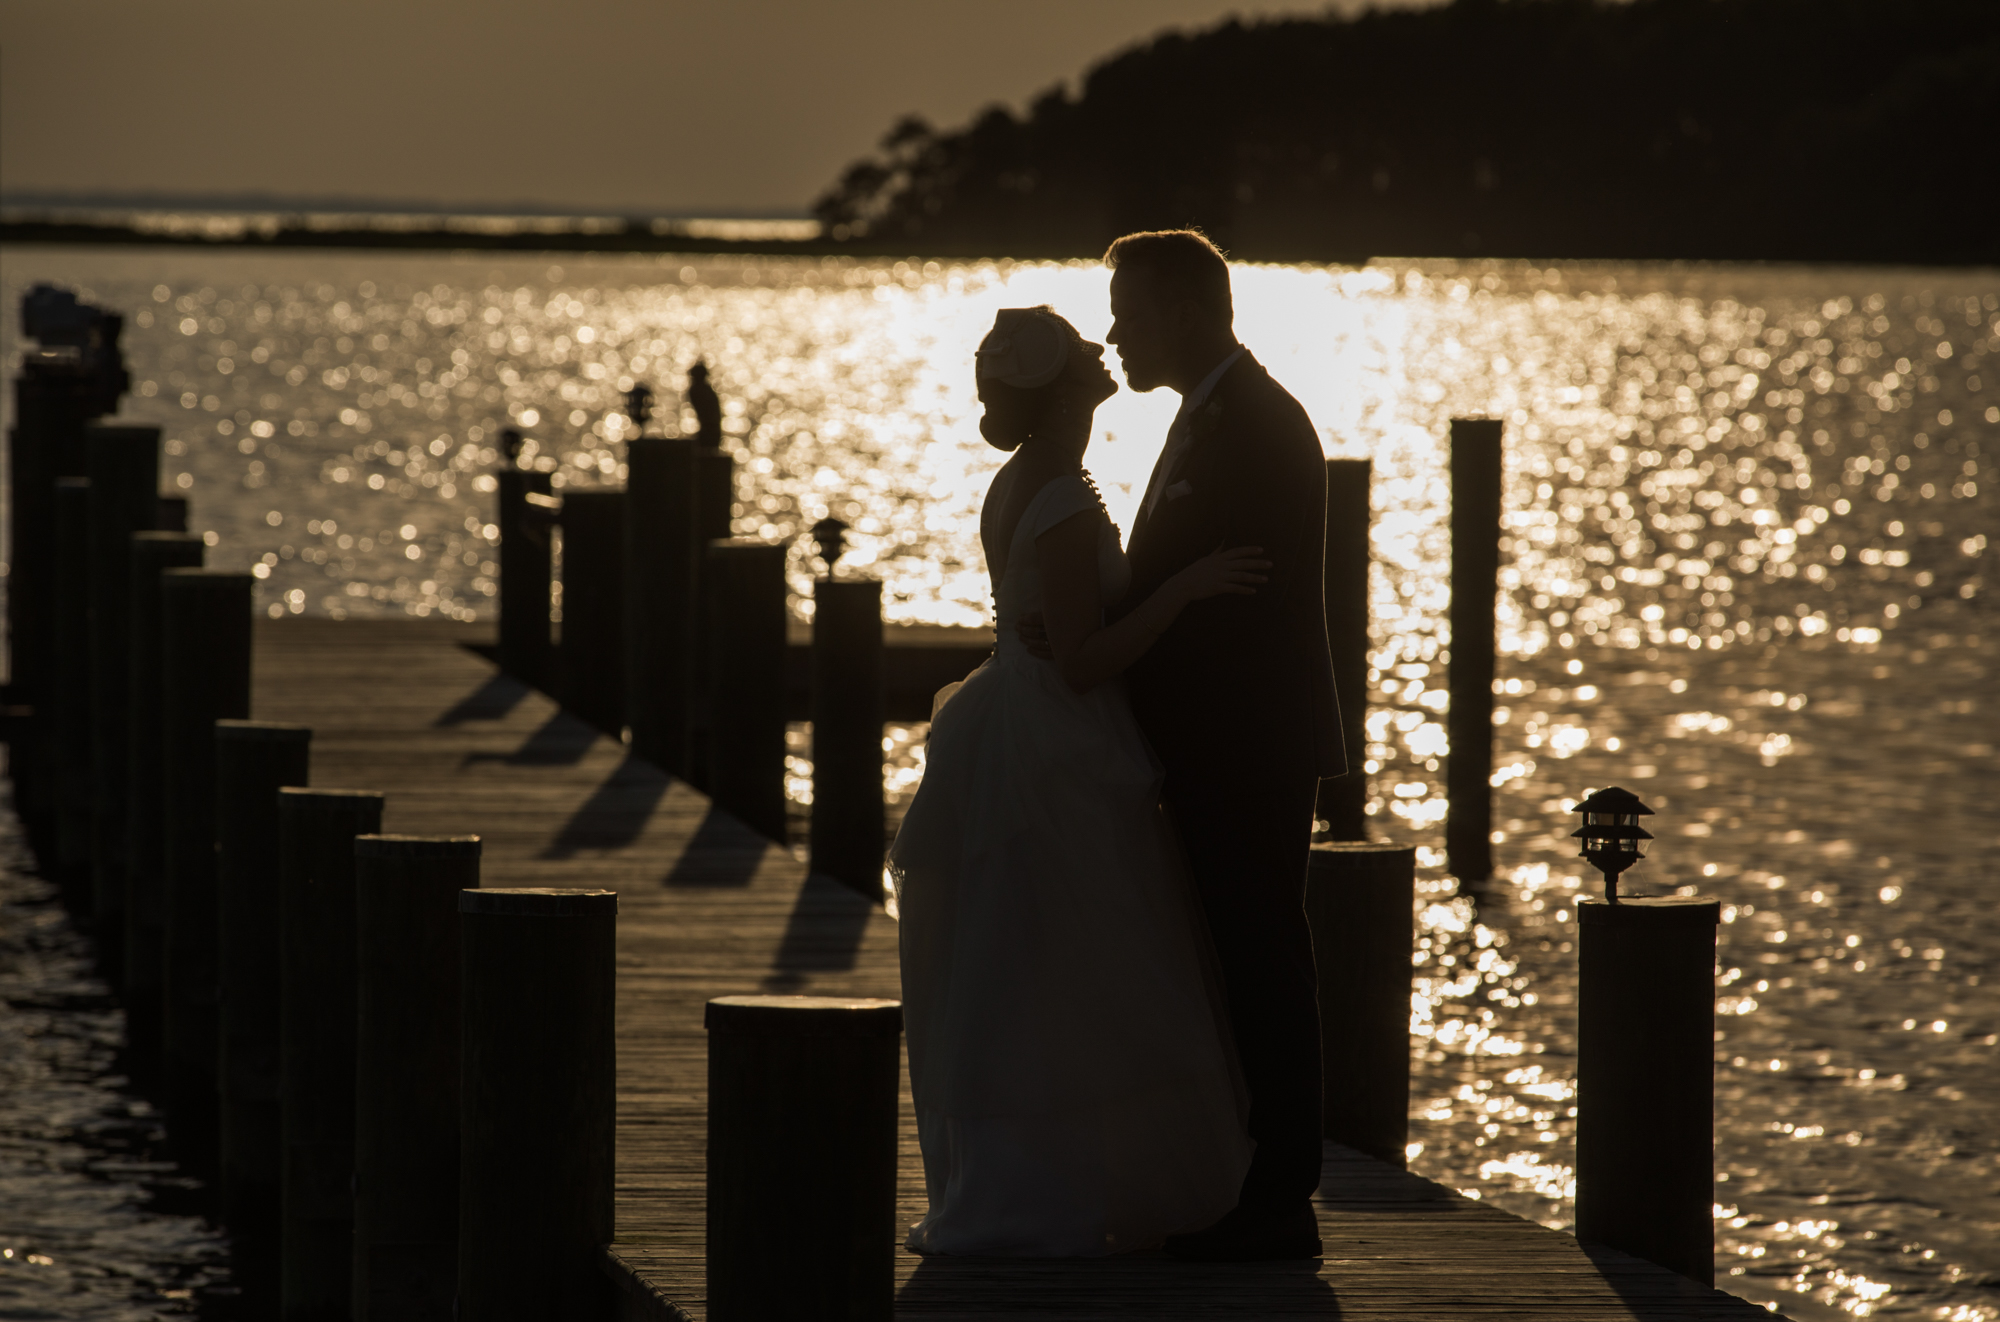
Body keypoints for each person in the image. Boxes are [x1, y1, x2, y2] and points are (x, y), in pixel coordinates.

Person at [888, 305, 1269, 1257]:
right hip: (1054, 741)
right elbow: (1083, 662)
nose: (1104, 351)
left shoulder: (1025, 482)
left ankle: (1045, 1181)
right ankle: (1056, 1191)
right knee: (1078, 965)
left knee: (1036, 963)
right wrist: (1183, 589)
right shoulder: (1057, 494)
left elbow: (1055, 630)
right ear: (1062, 387)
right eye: (1084, 349)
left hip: (1023, 725)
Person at [1089, 228, 1344, 1261]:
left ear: (1189, 313)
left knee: (1261, 960)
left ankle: (1281, 1197)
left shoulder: (1258, 426)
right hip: (1215, 745)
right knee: (1235, 960)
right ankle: (1252, 1177)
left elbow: (1228, 615)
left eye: (1132, 311)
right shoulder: (1212, 418)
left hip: (1245, 745)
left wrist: (1100, 652)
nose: (1116, 333)